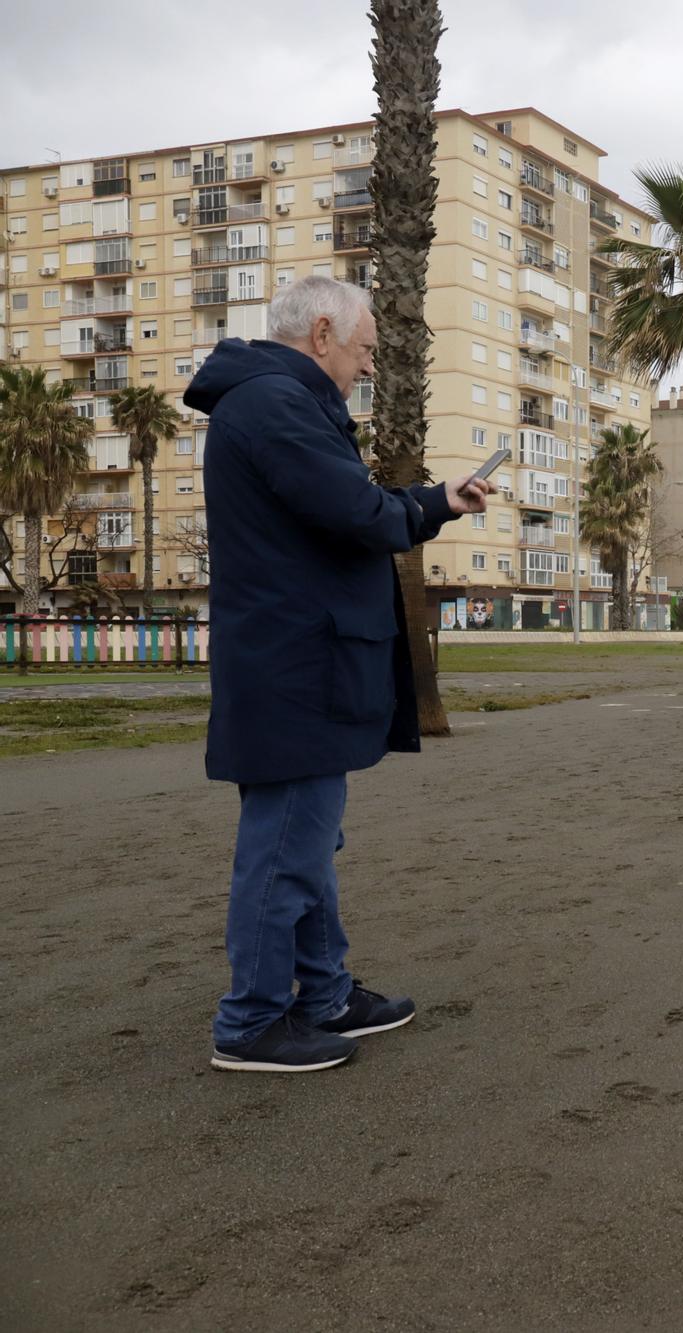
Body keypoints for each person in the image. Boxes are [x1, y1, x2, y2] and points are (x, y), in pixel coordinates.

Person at [184, 277, 492, 1074]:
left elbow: (347, 504)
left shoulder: (270, 401)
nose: (363, 369)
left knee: (308, 840)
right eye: (362, 352)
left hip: (297, 658)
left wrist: (435, 501)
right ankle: (250, 1021)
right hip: (296, 664)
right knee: (286, 844)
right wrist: (415, 508)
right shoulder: (276, 405)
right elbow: (354, 514)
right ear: (321, 333)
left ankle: (322, 994)